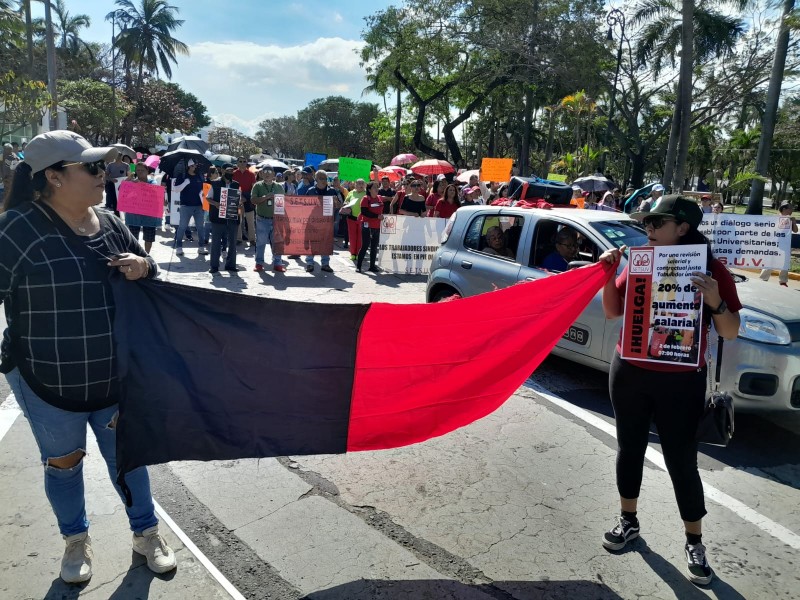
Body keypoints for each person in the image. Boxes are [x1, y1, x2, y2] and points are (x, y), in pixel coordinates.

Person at [0, 131, 176, 584]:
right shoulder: (18, 228)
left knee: (129, 460)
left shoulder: (112, 222)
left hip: (114, 379)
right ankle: (75, 540)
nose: (105, 174)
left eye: (103, 166)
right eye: (93, 168)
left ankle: (146, 533)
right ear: (54, 177)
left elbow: (147, 269)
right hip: (46, 382)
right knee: (64, 465)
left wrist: (145, 267)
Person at [598, 195, 742, 586]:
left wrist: (714, 301)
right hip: (629, 371)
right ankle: (628, 521)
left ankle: (694, 541)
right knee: (629, 448)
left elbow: (730, 330)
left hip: (681, 381)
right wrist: (608, 273)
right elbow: (614, 311)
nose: (649, 230)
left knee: (681, 461)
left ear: (682, 228)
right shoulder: (641, 258)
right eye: (646, 223)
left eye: (657, 223)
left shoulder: (712, 271)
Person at [206, 163, 241, 273]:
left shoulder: (236, 184)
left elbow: (239, 199)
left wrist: (239, 204)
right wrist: (215, 204)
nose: (230, 172)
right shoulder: (215, 183)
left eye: (232, 171)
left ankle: (231, 265)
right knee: (216, 242)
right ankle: (214, 266)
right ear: (223, 171)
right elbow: (208, 198)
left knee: (232, 243)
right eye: (228, 170)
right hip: (217, 218)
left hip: (232, 217)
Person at [251, 168, 286, 272]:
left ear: (274, 174)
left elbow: (285, 203)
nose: (267, 174)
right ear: (261, 174)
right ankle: (259, 263)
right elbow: (253, 200)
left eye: (269, 172)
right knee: (261, 242)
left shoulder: (279, 187)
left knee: (277, 242)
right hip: (262, 219)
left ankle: (278, 263)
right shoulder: (257, 185)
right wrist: (265, 197)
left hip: (276, 219)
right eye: (265, 172)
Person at [124, 163, 162, 253]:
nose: (140, 172)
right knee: (133, 236)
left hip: (149, 215)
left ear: (147, 171)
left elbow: (155, 191)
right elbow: (121, 191)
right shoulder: (131, 182)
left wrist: (140, 184)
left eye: (142, 170)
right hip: (133, 214)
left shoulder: (153, 182)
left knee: (149, 237)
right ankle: (134, 254)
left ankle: (146, 254)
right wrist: (128, 180)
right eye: (138, 170)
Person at [172, 159, 207, 256]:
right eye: (192, 166)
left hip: (199, 206)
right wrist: (185, 183)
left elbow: (204, 188)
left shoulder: (200, 176)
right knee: (182, 227)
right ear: (188, 167)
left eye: (195, 166)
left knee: (200, 227)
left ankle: (201, 247)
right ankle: (179, 247)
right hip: (185, 206)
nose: (194, 167)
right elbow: (175, 189)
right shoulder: (182, 176)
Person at [304, 169, 336, 273]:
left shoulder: (332, 191)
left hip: (326, 223)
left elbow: (340, 205)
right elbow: (304, 206)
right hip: (313, 222)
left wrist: (336, 202)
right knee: (312, 243)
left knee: (325, 243)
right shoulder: (310, 191)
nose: (323, 180)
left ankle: (325, 264)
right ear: (316, 179)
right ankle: (309, 263)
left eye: (325, 178)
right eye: (321, 178)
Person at [759, 201, 797, 287]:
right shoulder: (775, 218)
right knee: (771, 261)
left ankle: (783, 280)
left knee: (784, 262)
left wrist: (793, 222)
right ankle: (763, 278)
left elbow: (795, 230)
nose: (792, 210)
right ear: (784, 209)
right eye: (790, 208)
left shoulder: (790, 219)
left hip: (785, 245)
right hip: (774, 244)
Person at [357, 181, 384, 273]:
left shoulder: (379, 198)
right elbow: (364, 212)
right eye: (374, 187)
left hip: (376, 226)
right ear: (369, 189)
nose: (377, 189)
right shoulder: (365, 199)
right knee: (365, 246)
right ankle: (359, 266)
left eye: (377, 187)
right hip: (367, 226)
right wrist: (377, 216)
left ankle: (372, 266)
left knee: (374, 247)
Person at [232, 158, 256, 247]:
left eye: (244, 161)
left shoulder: (251, 174)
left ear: (247, 163)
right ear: (237, 163)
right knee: (238, 220)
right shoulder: (233, 174)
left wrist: (248, 198)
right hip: (237, 199)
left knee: (250, 221)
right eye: (240, 161)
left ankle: (252, 239)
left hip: (248, 199)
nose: (242, 163)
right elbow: (232, 187)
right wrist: (240, 197)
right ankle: (238, 239)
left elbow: (254, 188)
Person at [341, 178, 366, 261]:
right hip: (351, 217)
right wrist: (347, 203)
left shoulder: (366, 193)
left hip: (362, 218)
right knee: (352, 237)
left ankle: (358, 253)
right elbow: (346, 202)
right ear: (355, 185)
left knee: (360, 237)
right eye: (359, 183)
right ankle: (352, 253)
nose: (361, 185)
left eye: (362, 183)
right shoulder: (351, 193)